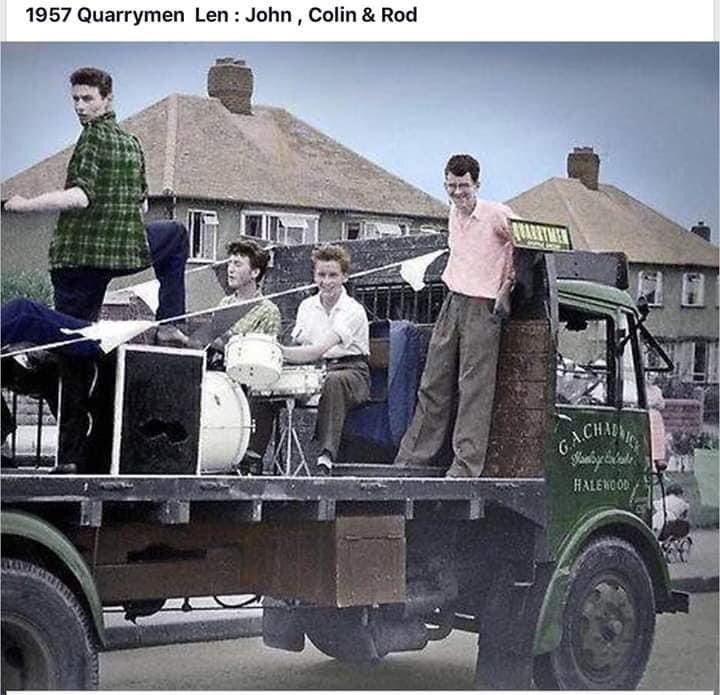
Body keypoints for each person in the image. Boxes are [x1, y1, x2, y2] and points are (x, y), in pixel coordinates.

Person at [3, 66, 189, 344]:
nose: (79, 106)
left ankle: (25, 318)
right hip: (121, 253)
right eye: (75, 99)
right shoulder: (132, 144)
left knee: (71, 342)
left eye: (87, 99)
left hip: (78, 263)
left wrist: (24, 205)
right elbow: (142, 207)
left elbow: (80, 197)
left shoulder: (91, 137)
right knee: (175, 235)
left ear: (107, 99)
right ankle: (170, 323)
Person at [394, 154, 516, 477]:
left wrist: (507, 287)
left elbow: (525, 245)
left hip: (483, 303)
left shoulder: (497, 214)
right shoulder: (452, 212)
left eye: (464, 186)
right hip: (454, 300)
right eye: (452, 186)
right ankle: (412, 459)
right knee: (433, 379)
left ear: (477, 184)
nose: (458, 193)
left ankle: (465, 466)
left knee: (473, 386)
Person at [282, 245, 370, 473]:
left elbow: (319, 349)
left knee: (333, 381)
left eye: (333, 275)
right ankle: (254, 457)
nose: (326, 281)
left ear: (345, 277)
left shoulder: (353, 310)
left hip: (353, 373)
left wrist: (277, 351)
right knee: (269, 383)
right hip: (316, 370)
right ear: (314, 275)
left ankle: (326, 455)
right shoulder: (306, 307)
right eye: (321, 275)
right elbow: (300, 346)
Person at [209, 240, 282, 472]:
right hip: (220, 372)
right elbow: (213, 338)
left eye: (238, 264)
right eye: (230, 263)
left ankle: (249, 456)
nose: (230, 269)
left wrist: (227, 342)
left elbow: (263, 353)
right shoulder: (224, 304)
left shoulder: (267, 310)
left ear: (255, 272)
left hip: (250, 378)